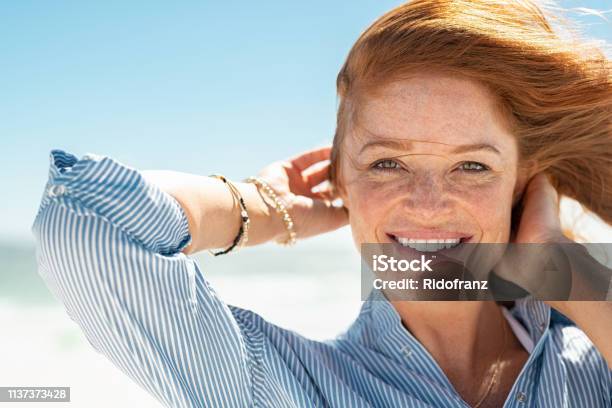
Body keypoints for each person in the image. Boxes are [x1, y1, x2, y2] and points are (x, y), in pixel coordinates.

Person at [32, 1, 611, 407]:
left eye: (472, 166)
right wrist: (260, 207)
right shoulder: (281, 388)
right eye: (387, 163)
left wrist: (561, 269)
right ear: (341, 181)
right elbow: (84, 223)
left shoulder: (594, 360)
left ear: (524, 182)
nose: (429, 203)